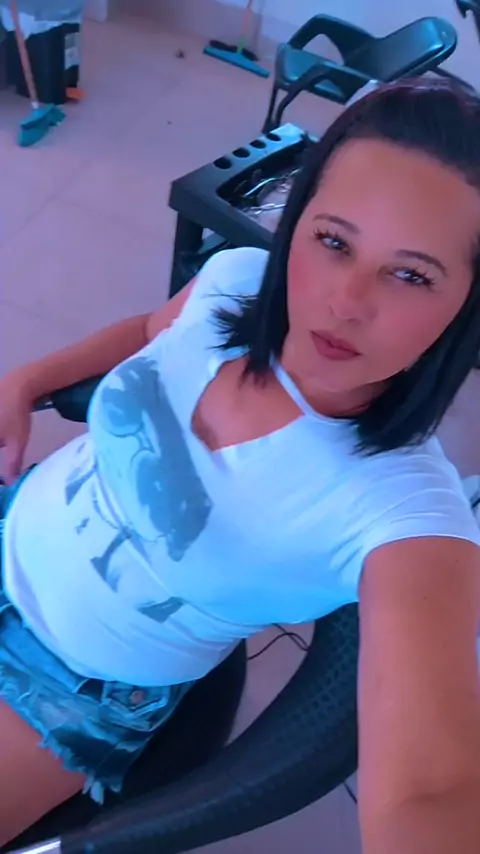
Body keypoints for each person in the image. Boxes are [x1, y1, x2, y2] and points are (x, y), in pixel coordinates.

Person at [1, 78, 480, 851]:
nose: (345, 301)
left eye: (411, 274)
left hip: (62, 688)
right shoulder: (240, 280)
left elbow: (432, 789)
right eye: (334, 241)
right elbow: (150, 333)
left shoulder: (406, 510)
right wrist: (26, 381)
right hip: (14, 518)